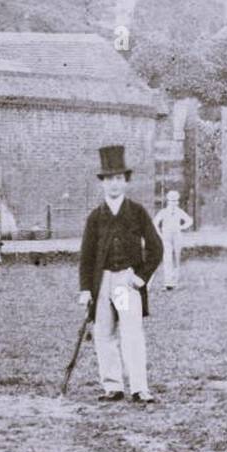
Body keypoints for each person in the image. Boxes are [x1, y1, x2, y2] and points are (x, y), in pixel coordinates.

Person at [77, 145, 163, 403]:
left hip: (126, 282)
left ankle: (139, 387)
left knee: (131, 333)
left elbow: (156, 248)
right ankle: (112, 386)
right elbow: (86, 256)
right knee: (104, 334)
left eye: (118, 179)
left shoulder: (136, 212)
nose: (113, 184)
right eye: (108, 179)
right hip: (102, 282)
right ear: (102, 183)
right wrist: (85, 289)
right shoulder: (95, 217)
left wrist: (141, 277)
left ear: (125, 181)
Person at [153, 189, 193, 290]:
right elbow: (155, 223)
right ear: (168, 201)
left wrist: (181, 227)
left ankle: (175, 281)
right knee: (167, 258)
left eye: (176, 201)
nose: (174, 203)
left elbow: (189, 220)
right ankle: (168, 283)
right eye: (172, 200)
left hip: (177, 236)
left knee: (176, 258)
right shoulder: (163, 212)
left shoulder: (179, 212)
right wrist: (160, 234)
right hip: (166, 236)